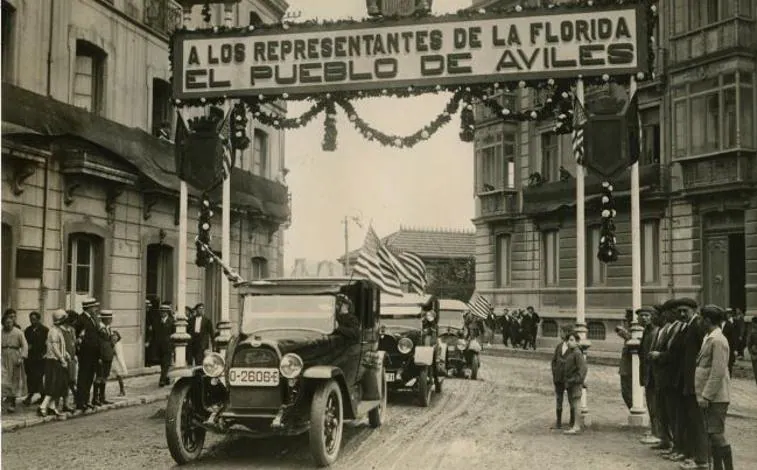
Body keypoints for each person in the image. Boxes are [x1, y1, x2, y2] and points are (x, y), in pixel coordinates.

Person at [696, 305, 735, 470]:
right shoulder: (710, 337)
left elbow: (717, 371)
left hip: (716, 397)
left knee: (717, 434)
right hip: (711, 396)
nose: (699, 321)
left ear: (708, 320)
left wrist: (706, 395)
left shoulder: (718, 340)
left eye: (700, 318)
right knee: (712, 434)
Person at [37, 310, 69, 417]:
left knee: (58, 385)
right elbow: (55, 348)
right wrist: (62, 359)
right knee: (53, 385)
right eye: (64, 319)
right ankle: (42, 406)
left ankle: (51, 407)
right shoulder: (54, 331)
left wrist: (66, 354)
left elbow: (60, 346)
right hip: (54, 361)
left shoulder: (57, 330)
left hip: (56, 360)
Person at [638, 306, 661, 445]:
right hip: (648, 374)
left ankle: (657, 432)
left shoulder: (655, 332)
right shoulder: (646, 331)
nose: (644, 318)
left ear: (652, 316)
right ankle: (654, 430)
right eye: (642, 316)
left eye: (647, 315)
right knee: (651, 404)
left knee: (655, 405)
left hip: (654, 375)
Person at [75, 298, 102, 411]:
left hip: (94, 353)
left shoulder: (93, 318)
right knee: (83, 377)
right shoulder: (81, 319)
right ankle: (80, 402)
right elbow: (76, 336)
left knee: (90, 377)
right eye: (94, 307)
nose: (95, 309)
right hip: (85, 353)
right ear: (89, 308)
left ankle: (86, 400)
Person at [2, 309, 28, 413]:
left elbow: (24, 345)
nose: (8, 324)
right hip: (3, 357)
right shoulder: (1, 332)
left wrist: (21, 357)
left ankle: (12, 402)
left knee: (13, 380)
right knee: (3, 380)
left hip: (14, 357)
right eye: (6, 322)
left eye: (10, 322)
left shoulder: (18, 332)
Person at [562, 331, 587, 435]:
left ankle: (576, 426)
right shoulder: (572, 352)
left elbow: (583, 369)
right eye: (568, 340)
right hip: (570, 382)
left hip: (575, 382)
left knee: (576, 404)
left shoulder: (577, 353)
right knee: (573, 404)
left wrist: (577, 380)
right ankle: (575, 425)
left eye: (572, 340)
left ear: (577, 342)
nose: (569, 342)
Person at [22, 311, 48, 406]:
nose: (32, 321)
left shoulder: (45, 330)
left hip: (40, 358)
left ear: (38, 319)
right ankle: (40, 395)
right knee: (30, 377)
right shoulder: (28, 330)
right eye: (31, 319)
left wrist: (45, 353)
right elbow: (24, 342)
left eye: (34, 319)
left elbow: (47, 343)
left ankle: (32, 396)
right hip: (30, 358)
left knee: (38, 377)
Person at [550, 329, 572, 430]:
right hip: (558, 378)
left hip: (568, 378)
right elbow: (553, 361)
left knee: (571, 399)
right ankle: (558, 421)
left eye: (562, 332)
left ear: (567, 333)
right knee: (559, 399)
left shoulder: (573, 347)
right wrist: (555, 372)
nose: (560, 334)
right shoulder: (559, 346)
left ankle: (572, 421)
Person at [93, 310, 116, 406]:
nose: (111, 320)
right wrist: (98, 356)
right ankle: (95, 398)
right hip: (101, 356)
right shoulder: (100, 329)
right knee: (99, 377)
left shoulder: (108, 329)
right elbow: (98, 344)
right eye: (110, 318)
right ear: (105, 319)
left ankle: (102, 397)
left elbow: (112, 340)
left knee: (105, 377)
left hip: (108, 355)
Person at [153, 304, 175, 386]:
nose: (163, 313)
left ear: (168, 312)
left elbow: (174, 334)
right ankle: (166, 378)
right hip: (159, 346)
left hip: (168, 346)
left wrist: (173, 346)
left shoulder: (172, 321)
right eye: (161, 312)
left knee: (166, 363)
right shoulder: (157, 321)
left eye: (164, 312)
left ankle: (162, 380)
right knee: (162, 364)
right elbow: (154, 334)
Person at [616, 309, 634, 411]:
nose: (626, 322)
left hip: (630, 368)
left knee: (627, 392)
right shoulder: (630, 331)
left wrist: (625, 334)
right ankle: (632, 409)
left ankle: (633, 409)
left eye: (628, 319)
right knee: (625, 392)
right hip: (625, 367)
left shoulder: (636, 330)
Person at [747, 317, 757, 388]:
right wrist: (751, 351)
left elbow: (749, 343)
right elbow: (749, 344)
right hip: (754, 355)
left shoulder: (752, 332)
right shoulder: (752, 332)